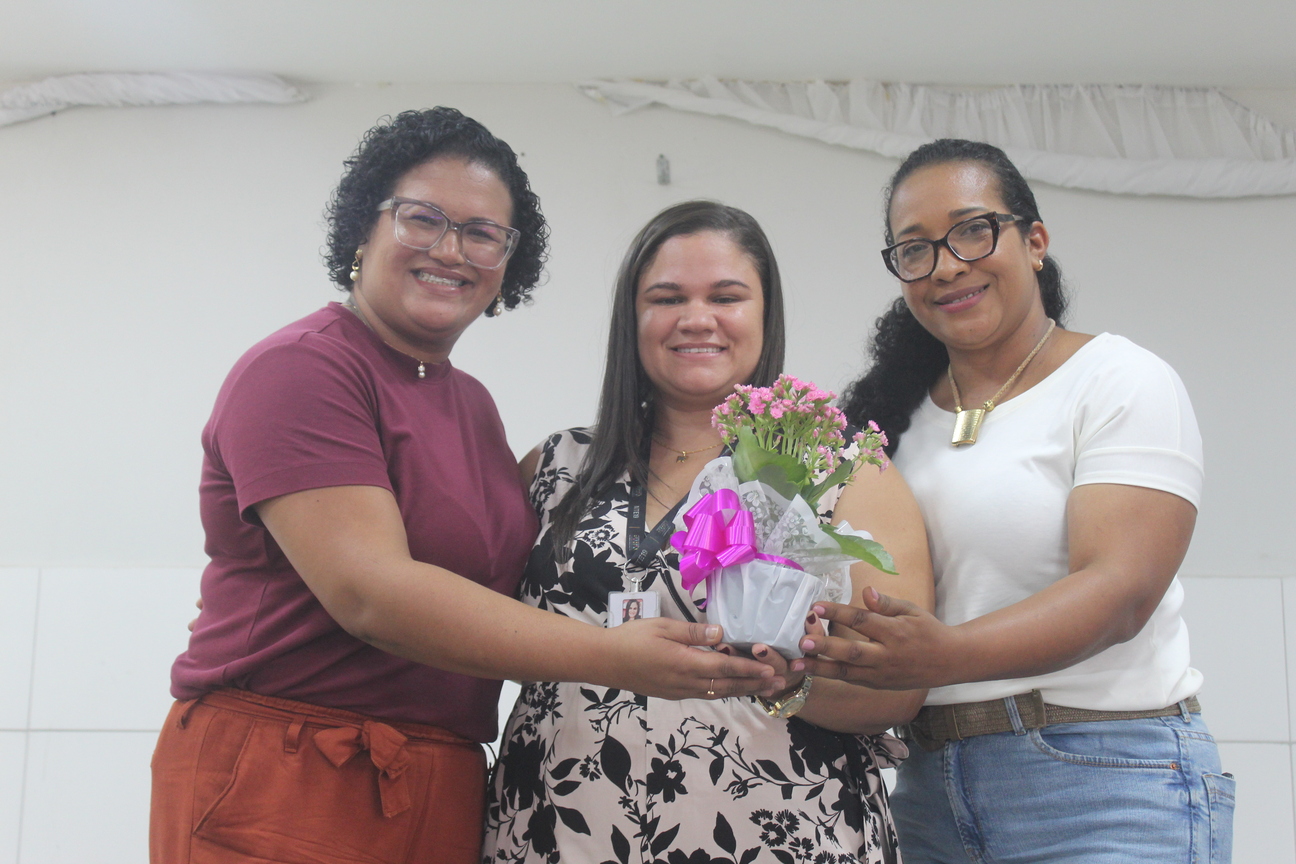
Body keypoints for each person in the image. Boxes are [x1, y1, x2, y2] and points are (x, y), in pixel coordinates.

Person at [150, 109, 783, 864]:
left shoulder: (471, 406)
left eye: (483, 234)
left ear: (508, 262)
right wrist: (614, 657)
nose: (450, 250)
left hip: (439, 777)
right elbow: (370, 594)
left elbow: (506, 597)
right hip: (294, 764)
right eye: (422, 219)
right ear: (362, 228)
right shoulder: (304, 367)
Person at [795, 139, 1233, 863]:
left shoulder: (1117, 379)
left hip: (1107, 782)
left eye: (973, 230)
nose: (946, 266)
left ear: (1034, 242)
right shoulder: (888, 424)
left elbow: (1121, 592)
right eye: (915, 250)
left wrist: (946, 654)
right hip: (929, 791)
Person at [483, 201, 934, 863]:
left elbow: (900, 686)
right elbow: (481, 630)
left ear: (764, 314)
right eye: (667, 298)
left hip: (777, 835)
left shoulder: (843, 472)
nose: (696, 318)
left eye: (726, 297)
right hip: (559, 830)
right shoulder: (555, 466)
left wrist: (789, 683)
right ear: (632, 319)